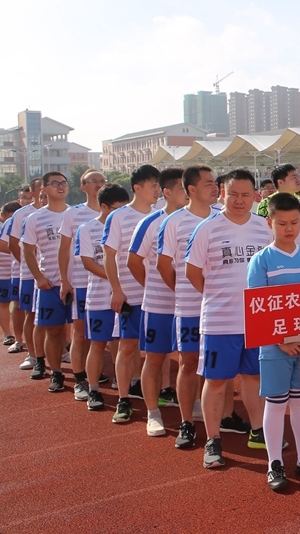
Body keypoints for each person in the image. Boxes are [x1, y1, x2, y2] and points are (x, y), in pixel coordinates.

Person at [186, 169, 273, 469]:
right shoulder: (207, 228)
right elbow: (193, 272)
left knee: (253, 377)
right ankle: (213, 441)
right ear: (222, 192)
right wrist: (217, 295)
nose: (239, 200)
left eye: (245, 194)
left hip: (256, 319)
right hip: (220, 321)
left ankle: (258, 431)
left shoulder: (264, 227)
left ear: (255, 196)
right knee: (217, 380)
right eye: (233, 193)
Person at [247, 192, 300, 490]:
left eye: (294, 222)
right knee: (276, 402)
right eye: (282, 223)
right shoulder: (261, 261)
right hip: (274, 347)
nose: (289, 228)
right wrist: (281, 340)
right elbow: (257, 307)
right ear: (270, 222)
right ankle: (274, 463)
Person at [157, 165, 219, 449]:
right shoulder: (174, 221)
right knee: (188, 363)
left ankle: (223, 418)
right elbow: (164, 265)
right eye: (208, 183)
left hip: (220, 308)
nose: (215, 187)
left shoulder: (223, 218)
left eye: (215, 182)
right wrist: (184, 290)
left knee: (218, 368)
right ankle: (186, 422)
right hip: (189, 308)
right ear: (191, 189)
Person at [129, 167, 185, 436]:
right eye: (184, 188)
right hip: (159, 306)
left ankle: (194, 406)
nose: (189, 193)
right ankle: (153, 414)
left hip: (191, 305)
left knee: (191, 360)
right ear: (167, 192)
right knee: (154, 359)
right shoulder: (150, 223)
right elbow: (133, 261)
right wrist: (152, 286)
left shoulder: (202, 220)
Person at [103, 164, 161, 423]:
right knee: (128, 347)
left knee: (159, 351)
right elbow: (109, 255)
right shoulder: (119, 216)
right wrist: (116, 289)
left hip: (158, 295)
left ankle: (162, 393)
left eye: (159, 186)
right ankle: (123, 399)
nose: (157, 191)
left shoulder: (162, 214)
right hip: (131, 294)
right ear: (137, 188)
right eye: (153, 186)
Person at [78, 183, 130, 411]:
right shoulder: (87, 229)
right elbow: (88, 263)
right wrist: (115, 280)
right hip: (99, 298)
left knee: (124, 345)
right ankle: (94, 389)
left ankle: (125, 388)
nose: (121, 213)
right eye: (116, 209)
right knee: (98, 344)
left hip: (126, 295)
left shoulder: (128, 225)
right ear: (104, 207)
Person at [58, 170, 106, 400]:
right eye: (93, 181)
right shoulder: (73, 214)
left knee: (112, 336)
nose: (98, 184)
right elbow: (64, 249)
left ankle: (117, 378)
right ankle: (80, 380)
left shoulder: (116, 212)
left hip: (110, 283)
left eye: (102, 181)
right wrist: (64, 281)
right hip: (81, 282)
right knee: (81, 333)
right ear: (83, 186)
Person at [21, 171, 70, 391]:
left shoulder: (77, 214)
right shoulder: (35, 218)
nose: (60, 187)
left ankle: (83, 374)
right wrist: (39, 277)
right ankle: (56, 372)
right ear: (44, 189)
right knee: (53, 330)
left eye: (63, 183)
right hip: (50, 283)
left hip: (76, 283)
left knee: (80, 332)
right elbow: (28, 251)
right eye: (55, 183)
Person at [5, 179, 43, 373]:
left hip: (56, 275)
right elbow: (12, 244)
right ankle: (32, 355)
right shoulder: (22, 214)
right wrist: (30, 265)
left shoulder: (65, 212)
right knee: (30, 313)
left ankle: (61, 351)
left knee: (61, 318)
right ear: (33, 191)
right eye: (42, 187)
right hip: (29, 275)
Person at [0, 202, 19, 347]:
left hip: (18, 271)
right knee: (3, 303)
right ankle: (8, 334)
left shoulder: (16, 224)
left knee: (19, 305)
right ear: (7, 214)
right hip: (2, 274)